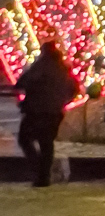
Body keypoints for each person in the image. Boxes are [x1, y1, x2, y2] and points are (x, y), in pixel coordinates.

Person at [15, 41, 79, 187]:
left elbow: (23, 82)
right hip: (55, 111)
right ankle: (44, 176)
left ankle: (38, 169)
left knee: (24, 139)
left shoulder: (40, 66)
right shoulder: (64, 69)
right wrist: (62, 100)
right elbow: (74, 89)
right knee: (47, 143)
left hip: (36, 110)